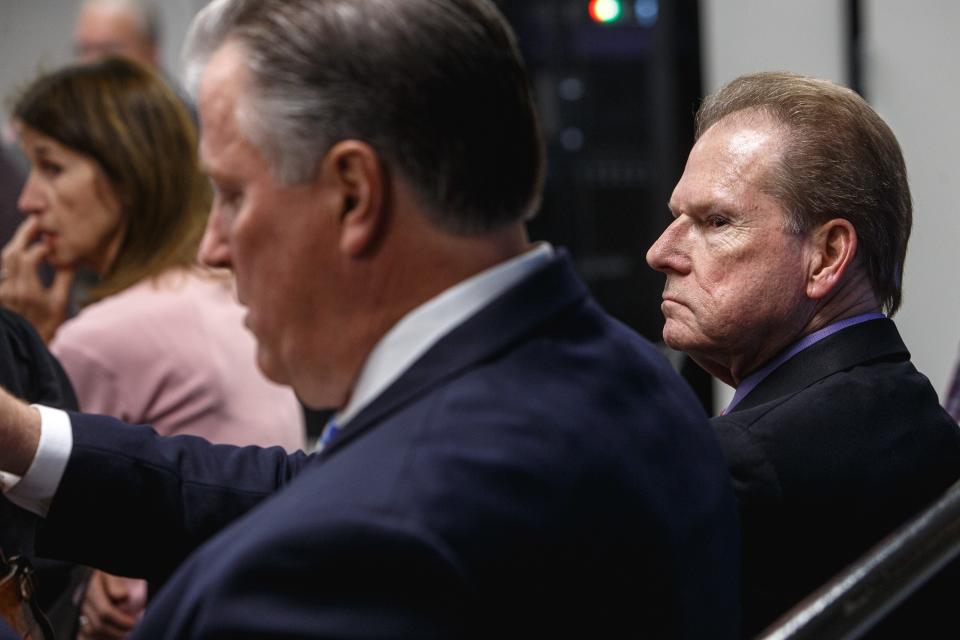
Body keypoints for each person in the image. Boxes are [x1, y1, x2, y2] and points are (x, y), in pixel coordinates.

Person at [0, 0, 740, 637]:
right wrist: (26, 439)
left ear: (354, 195)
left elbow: (354, 507)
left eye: (231, 195)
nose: (212, 247)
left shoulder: (343, 561)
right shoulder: (627, 373)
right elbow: (297, 484)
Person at [646, 71, 960, 637]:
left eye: (715, 222)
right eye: (676, 219)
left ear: (828, 254)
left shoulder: (743, 463)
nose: (660, 252)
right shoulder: (919, 414)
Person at [0, 57, 305, 638]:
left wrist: (28, 349)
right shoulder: (213, 292)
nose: (28, 201)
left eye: (52, 168)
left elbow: (37, 524)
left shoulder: (105, 333)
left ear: (123, 177)